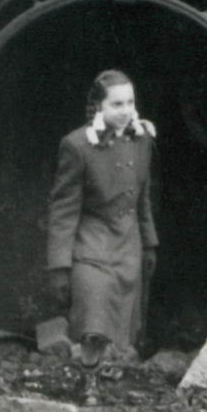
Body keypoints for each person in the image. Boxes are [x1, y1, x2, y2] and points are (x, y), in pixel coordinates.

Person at [47, 69, 158, 370]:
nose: (125, 111)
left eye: (130, 103)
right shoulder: (77, 145)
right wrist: (59, 266)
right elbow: (63, 210)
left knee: (117, 332)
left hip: (127, 249)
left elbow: (142, 199)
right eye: (116, 104)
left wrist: (149, 244)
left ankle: (97, 376)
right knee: (92, 328)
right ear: (99, 106)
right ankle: (89, 383)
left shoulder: (142, 141)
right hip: (91, 249)